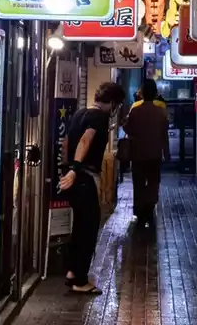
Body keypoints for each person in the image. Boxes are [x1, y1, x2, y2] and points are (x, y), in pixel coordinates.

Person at [60, 80, 126, 294]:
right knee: (88, 229)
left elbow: (66, 143)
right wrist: (75, 169)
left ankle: (72, 272)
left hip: (73, 177)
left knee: (79, 227)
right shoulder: (99, 117)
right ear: (113, 102)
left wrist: (66, 167)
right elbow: (86, 140)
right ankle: (80, 280)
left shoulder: (80, 113)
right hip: (83, 177)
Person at [124, 79, 171, 227]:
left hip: (137, 154)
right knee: (153, 183)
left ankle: (139, 211)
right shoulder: (161, 112)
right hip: (155, 154)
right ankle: (150, 209)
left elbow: (127, 129)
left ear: (142, 93)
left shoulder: (135, 111)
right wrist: (166, 153)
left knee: (138, 183)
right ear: (156, 93)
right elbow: (165, 134)